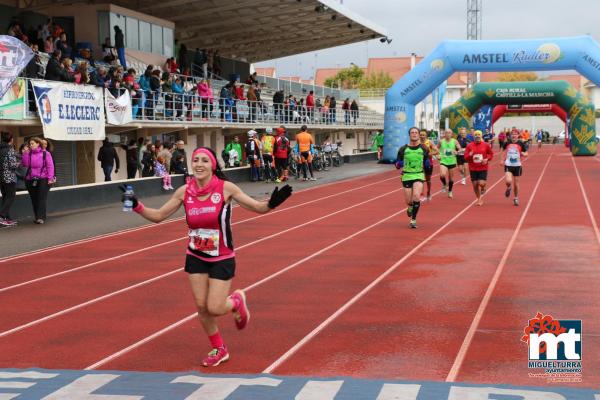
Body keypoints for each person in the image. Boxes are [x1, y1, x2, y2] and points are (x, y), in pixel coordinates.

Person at [120, 147, 293, 367]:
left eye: (204, 160)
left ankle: (236, 302)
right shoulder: (184, 191)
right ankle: (219, 348)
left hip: (221, 256)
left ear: (213, 165)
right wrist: (136, 205)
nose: (199, 164)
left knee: (215, 307)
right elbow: (158, 216)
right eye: (195, 160)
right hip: (195, 255)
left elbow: (257, 208)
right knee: (202, 307)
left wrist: (272, 203)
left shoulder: (226, 188)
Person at [396, 127, 430, 229]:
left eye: (416, 132)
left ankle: (413, 219)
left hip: (419, 174)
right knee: (409, 201)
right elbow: (397, 164)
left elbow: (426, 161)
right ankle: (410, 207)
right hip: (406, 175)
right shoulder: (403, 149)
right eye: (412, 132)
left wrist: (427, 164)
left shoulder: (424, 148)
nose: (414, 134)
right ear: (409, 135)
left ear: (419, 135)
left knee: (416, 196)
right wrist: (399, 163)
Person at [21, 137, 55, 224]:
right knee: (34, 199)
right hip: (31, 179)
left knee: (41, 198)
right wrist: (25, 154)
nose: (31, 145)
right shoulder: (29, 154)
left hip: (43, 178)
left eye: (32, 143)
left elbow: (50, 166)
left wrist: (50, 178)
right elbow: (25, 164)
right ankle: (37, 217)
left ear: (38, 144)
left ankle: (41, 217)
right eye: (30, 144)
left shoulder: (45, 153)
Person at [464, 130, 494, 206]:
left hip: (483, 167)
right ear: (474, 136)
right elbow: (465, 157)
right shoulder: (469, 146)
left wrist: (487, 159)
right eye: (476, 135)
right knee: (475, 185)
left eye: (479, 135)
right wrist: (470, 155)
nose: (477, 136)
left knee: (481, 183)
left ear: (481, 136)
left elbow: (491, 154)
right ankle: (479, 199)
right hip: (473, 168)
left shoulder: (486, 145)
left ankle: (484, 187)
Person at [502, 130, 528, 206]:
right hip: (508, 164)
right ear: (510, 136)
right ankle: (509, 187)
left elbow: (526, 153)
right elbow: (503, 151)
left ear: (518, 135)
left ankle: (516, 198)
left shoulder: (521, 143)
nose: (514, 136)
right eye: (512, 134)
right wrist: (501, 159)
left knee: (516, 183)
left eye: (515, 134)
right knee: (508, 181)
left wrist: (524, 154)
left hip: (517, 165)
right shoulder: (507, 143)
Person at [0, 132, 19, 226]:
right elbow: (12, 165)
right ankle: (2, 216)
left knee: (5, 197)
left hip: (1, 178)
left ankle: (7, 218)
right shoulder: (10, 150)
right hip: (9, 177)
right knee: (10, 196)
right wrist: (18, 164)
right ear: (11, 139)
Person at [438, 129, 461, 199]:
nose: (448, 134)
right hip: (443, 161)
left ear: (451, 134)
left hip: (452, 161)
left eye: (449, 133)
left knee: (451, 179)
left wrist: (457, 152)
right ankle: (445, 184)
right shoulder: (441, 141)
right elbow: (436, 149)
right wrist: (437, 155)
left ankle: (450, 191)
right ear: (444, 134)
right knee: (442, 175)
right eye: (446, 133)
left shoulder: (454, 141)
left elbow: (460, 148)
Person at [419, 129, 438, 201]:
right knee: (421, 179)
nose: (422, 136)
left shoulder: (429, 142)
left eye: (423, 135)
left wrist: (430, 153)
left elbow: (437, 151)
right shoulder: (417, 143)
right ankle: (421, 194)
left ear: (426, 135)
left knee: (428, 179)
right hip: (419, 163)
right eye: (420, 135)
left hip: (428, 163)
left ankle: (429, 192)